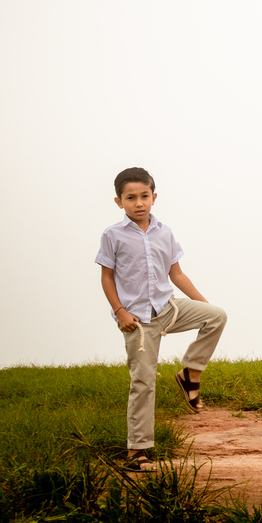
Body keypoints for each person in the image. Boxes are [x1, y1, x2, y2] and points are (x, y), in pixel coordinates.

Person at [96, 167, 227, 471]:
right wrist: (120, 312)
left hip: (168, 309)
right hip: (137, 321)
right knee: (143, 381)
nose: (138, 203)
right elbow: (107, 277)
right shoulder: (112, 235)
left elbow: (176, 274)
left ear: (154, 198)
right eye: (131, 198)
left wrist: (203, 304)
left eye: (144, 196)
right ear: (119, 202)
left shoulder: (164, 232)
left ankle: (190, 374)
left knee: (217, 316)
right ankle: (137, 450)